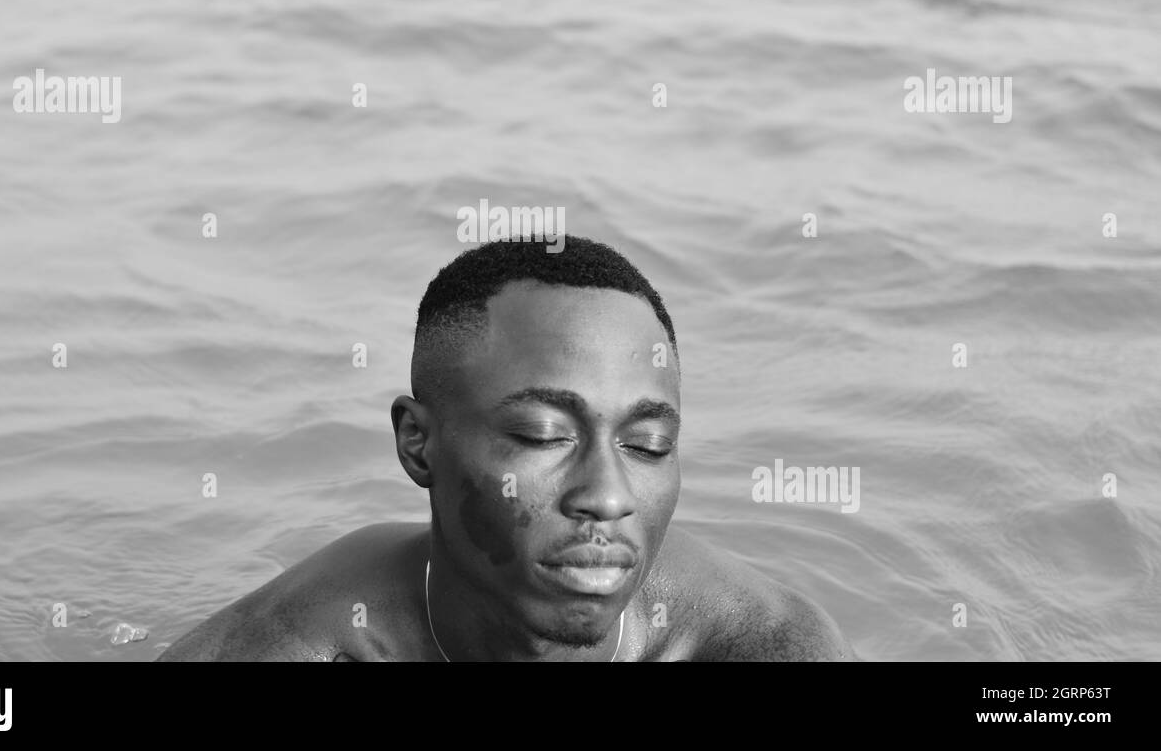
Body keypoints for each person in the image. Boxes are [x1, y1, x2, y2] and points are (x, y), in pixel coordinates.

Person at [159, 236, 852, 661]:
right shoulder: (297, 644)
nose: (606, 497)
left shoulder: (757, 645)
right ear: (417, 443)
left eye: (647, 445)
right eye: (543, 436)